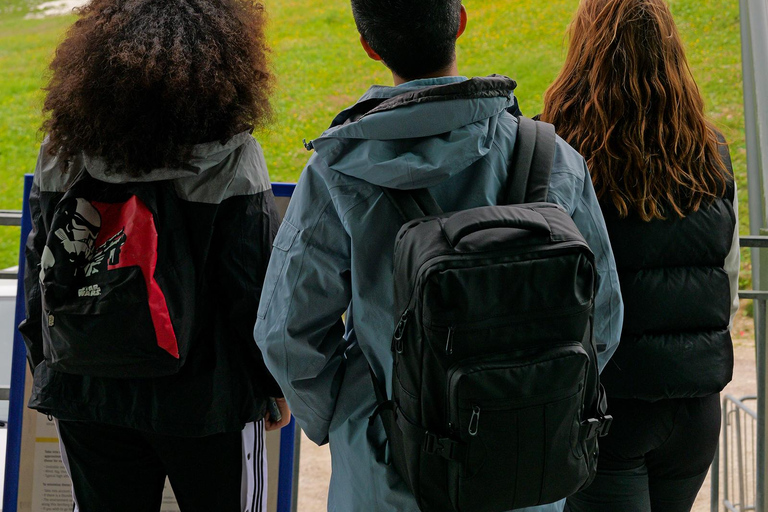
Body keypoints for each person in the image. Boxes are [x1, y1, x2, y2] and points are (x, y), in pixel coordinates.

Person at [253, 1, 623, 511]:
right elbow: (603, 316)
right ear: (462, 22)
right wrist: (533, 400)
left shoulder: (338, 172)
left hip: (388, 473)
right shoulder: (551, 156)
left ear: (370, 46)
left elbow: (286, 334)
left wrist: (351, 416)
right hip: (522, 471)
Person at [19, 1, 290, 511]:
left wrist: (48, 366)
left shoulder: (61, 149)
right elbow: (251, 285)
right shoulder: (231, 153)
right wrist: (271, 384)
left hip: (87, 385)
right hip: (206, 400)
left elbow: (41, 266)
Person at [539, 1, 739, 510]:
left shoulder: (553, 147)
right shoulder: (710, 151)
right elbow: (729, 281)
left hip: (601, 407)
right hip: (695, 408)